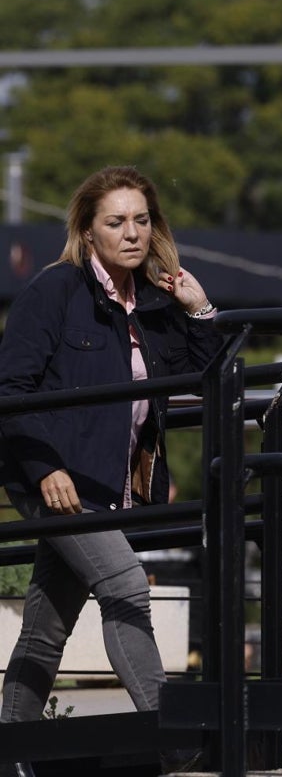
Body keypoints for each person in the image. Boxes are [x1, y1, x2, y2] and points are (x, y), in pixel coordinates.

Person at [0, 165, 223, 776]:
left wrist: (198, 309)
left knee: (46, 629)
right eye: (116, 221)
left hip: (110, 486)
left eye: (142, 220)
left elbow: (202, 380)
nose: (131, 233)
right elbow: (11, 389)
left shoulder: (152, 305)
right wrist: (45, 467)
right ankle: (178, 745)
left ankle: (9, 752)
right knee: (126, 586)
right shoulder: (56, 292)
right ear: (88, 230)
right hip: (57, 483)